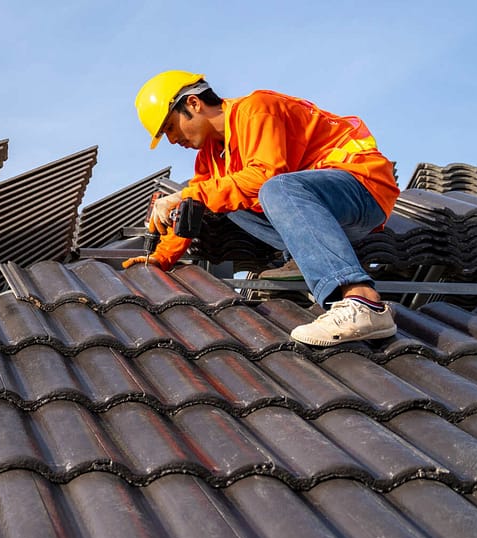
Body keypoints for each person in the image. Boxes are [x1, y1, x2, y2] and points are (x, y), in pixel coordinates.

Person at [123, 70, 401, 346]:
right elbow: (194, 206)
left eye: (170, 127)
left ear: (193, 103)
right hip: (319, 211)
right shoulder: (211, 157)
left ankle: (363, 302)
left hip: (361, 186)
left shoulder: (257, 109)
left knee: (268, 188)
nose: (172, 140)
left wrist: (188, 194)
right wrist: (162, 257)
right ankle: (302, 257)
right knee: (220, 195)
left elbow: (265, 177)